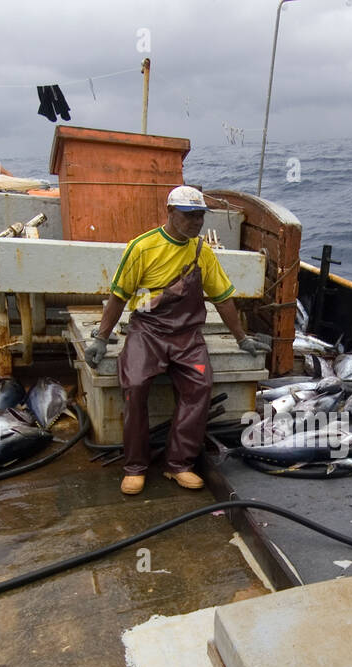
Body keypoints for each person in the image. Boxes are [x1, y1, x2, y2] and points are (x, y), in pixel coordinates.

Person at [84, 186, 268, 496]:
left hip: (187, 336)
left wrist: (242, 338)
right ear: (170, 213)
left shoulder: (202, 252)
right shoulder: (142, 247)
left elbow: (223, 298)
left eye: (200, 217)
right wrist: (102, 338)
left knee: (200, 385)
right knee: (136, 384)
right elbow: (119, 296)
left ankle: (178, 464)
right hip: (148, 332)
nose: (196, 223)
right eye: (189, 216)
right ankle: (135, 466)